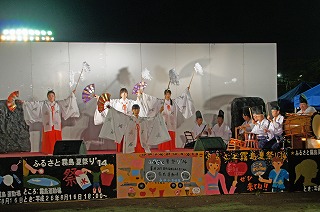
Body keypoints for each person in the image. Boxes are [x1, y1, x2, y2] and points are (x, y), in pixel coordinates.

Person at [22, 90, 80, 154]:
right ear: (47, 97)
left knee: (57, 138)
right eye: (49, 96)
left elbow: (67, 102)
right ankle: (48, 151)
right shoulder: (43, 104)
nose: (51, 97)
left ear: (54, 96)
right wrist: (25, 103)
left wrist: (72, 95)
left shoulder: (59, 104)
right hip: (48, 124)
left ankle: (57, 151)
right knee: (48, 138)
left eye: (52, 95)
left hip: (57, 125)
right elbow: (34, 105)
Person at [99, 104, 171, 153]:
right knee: (131, 154)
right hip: (131, 138)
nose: (136, 111)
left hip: (141, 139)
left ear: (139, 110)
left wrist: (160, 112)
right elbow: (118, 114)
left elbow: (153, 119)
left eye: (137, 109)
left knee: (142, 152)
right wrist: (111, 109)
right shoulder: (128, 118)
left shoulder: (143, 119)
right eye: (135, 109)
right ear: (132, 110)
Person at [94, 88, 141, 152]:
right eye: (122, 93)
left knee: (129, 135)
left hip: (128, 121)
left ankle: (129, 149)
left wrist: (138, 96)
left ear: (127, 94)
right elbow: (107, 102)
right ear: (120, 94)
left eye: (125, 93)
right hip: (119, 121)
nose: (124, 94)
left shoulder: (131, 102)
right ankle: (119, 150)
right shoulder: (116, 102)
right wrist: (99, 98)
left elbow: (137, 103)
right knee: (119, 135)